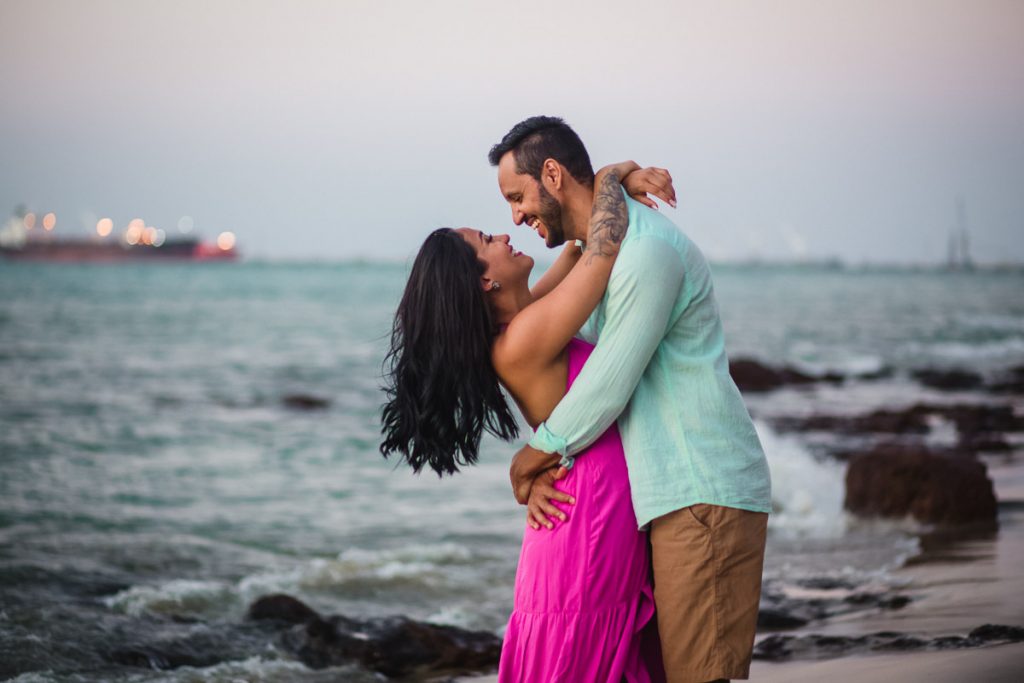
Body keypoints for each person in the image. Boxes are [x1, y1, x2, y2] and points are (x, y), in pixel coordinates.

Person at [489, 116, 772, 683]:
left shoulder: (644, 252)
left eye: (517, 197)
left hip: (699, 488)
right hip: (664, 495)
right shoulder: (604, 252)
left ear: (552, 174)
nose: (515, 217)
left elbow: (610, 380)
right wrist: (616, 176)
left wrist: (536, 451)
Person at [380, 161, 673, 681]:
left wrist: (595, 195)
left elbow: (581, 246)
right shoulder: (525, 337)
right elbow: (602, 252)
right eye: (488, 239)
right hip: (587, 518)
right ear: (486, 279)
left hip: (583, 505)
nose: (505, 233)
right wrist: (612, 175)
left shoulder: (528, 319)